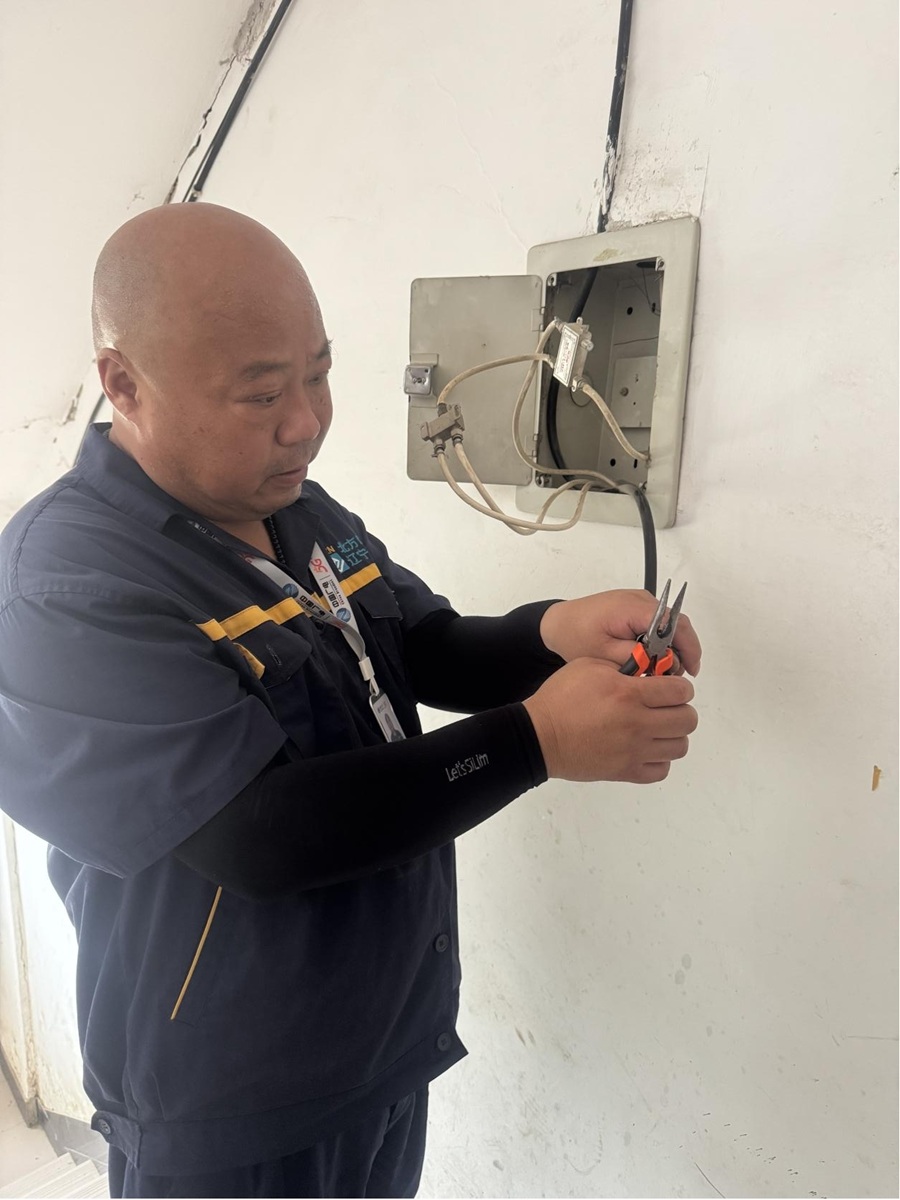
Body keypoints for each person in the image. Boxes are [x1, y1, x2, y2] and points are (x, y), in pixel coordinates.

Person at [0, 203, 700, 1199]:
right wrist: (534, 742)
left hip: (379, 1047)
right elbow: (257, 834)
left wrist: (552, 631)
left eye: (319, 375)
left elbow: (415, 646)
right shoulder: (65, 587)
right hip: (230, 1103)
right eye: (262, 394)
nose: (306, 424)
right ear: (124, 383)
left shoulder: (287, 501)